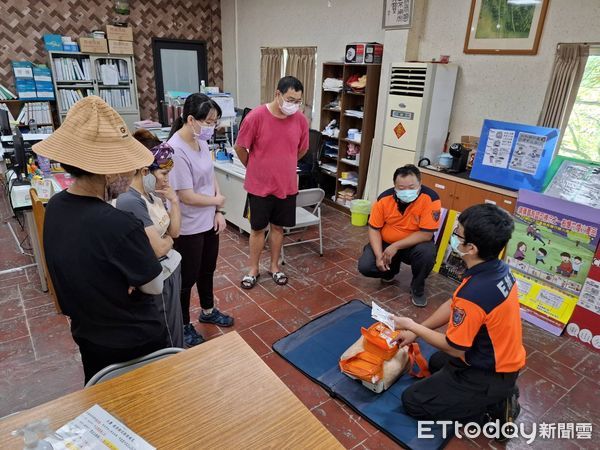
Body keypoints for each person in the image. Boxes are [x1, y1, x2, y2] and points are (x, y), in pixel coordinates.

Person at [35, 96, 167, 383]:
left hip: (89, 336)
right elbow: (155, 286)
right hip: (134, 343)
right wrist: (131, 280)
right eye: (128, 168)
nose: (131, 175)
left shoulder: (56, 206)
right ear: (108, 171)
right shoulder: (119, 224)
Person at [392, 204, 525, 438]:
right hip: (497, 359)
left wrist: (412, 326)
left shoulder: (476, 292)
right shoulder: (494, 268)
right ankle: (491, 393)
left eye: (457, 233)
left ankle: (492, 409)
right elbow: (452, 303)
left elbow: (453, 347)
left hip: (489, 372)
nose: (454, 236)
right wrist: (417, 332)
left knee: (413, 402)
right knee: (434, 363)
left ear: (471, 248)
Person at [168, 93, 233, 347]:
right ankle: (183, 325)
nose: (212, 127)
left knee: (207, 270)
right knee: (187, 278)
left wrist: (218, 211)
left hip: (208, 221)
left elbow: (210, 175)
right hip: (188, 226)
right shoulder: (176, 149)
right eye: (208, 121)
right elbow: (186, 196)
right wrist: (217, 202)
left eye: (215, 122)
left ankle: (208, 311)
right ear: (191, 119)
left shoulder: (200, 141)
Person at [234, 76, 309, 289]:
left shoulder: (300, 120)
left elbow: (302, 149)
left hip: (286, 185)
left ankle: (275, 267)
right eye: (290, 99)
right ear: (277, 94)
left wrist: (284, 164)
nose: (293, 105)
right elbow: (240, 147)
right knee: (258, 229)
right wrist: (254, 167)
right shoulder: (256, 117)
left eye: (297, 101)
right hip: (259, 186)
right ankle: (253, 269)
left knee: (278, 228)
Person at [115, 130, 184, 348]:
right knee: (167, 332)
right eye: (163, 174)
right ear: (145, 171)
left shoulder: (151, 195)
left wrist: (174, 202)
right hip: (157, 276)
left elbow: (174, 233)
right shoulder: (130, 201)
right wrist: (167, 243)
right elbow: (159, 249)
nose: (166, 180)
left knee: (174, 325)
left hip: (169, 270)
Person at [358, 164, 441, 307]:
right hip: (387, 243)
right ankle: (390, 270)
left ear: (420, 184)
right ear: (395, 186)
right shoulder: (384, 199)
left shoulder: (431, 198)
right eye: (401, 188)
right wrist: (379, 255)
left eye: (411, 187)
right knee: (365, 266)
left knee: (427, 253)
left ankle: (417, 288)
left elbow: (426, 234)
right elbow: (374, 229)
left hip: (414, 245)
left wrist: (396, 246)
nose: (406, 191)